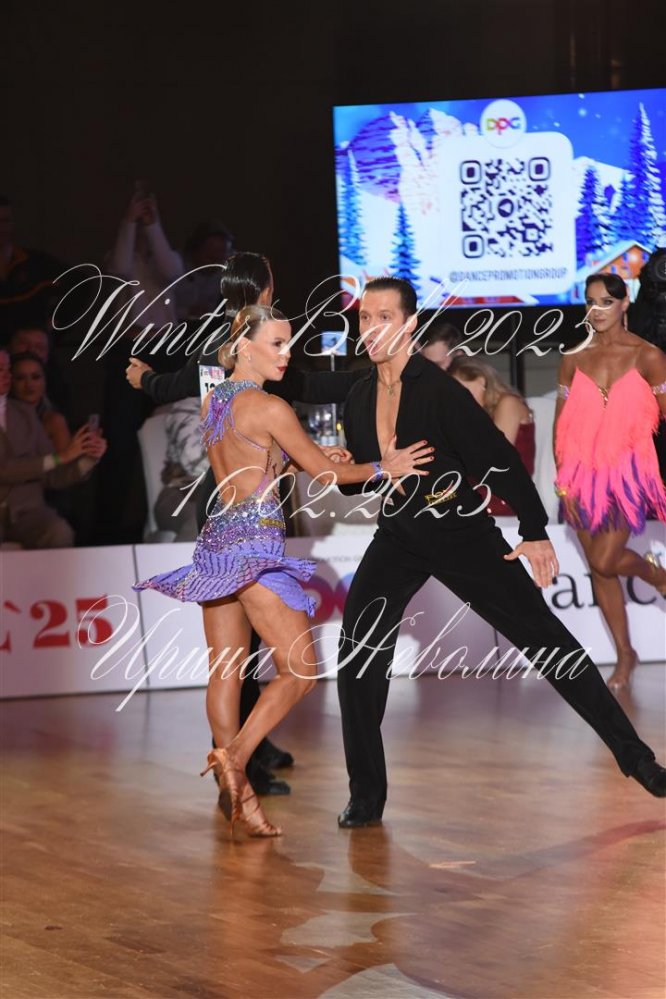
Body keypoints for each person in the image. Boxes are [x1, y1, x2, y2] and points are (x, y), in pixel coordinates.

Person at [334, 276, 666, 829]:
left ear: (409, 325)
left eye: (383, 317)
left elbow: (499, 460)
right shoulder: (360, 394)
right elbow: (365, 483)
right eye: (365, 318)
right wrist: (350, 466)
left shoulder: (439, 392)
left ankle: (638, 760)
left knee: (549, 643)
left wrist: (533, 530)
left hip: (462, 535)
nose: (371, 328)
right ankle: (366, 796)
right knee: (358, 656)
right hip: (398, 537)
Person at [133, 305, 432, 837]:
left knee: (226, 672)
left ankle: (239, 796)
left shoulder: (215, 399)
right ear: (244, 346)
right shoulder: (270, 407)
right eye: (276, 344)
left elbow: (256, 463)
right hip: (254, 553)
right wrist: (383, 466)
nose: (287, 354)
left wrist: (309, 455)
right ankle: (235, 757)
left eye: (288, 343)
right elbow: (327, 477)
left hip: (216, 543)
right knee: (301, 673)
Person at [126, 251, 368, 799]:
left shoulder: (221, 354)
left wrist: (145, 378)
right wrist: (374, 386)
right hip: (248, 518)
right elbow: (305, 393)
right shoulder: (259, 349)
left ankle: (240, 771)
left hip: (222, 507)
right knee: (277, 658)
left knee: (234, 661)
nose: (284, 350)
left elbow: (177, 388)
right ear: (263, 292)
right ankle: (243, 761)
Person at [554, 272, 666, 692]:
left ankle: (657, 575)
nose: (597, 310)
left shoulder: (648, 356)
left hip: (629, 473)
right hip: (578, 473)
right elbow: (561, 425)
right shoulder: (573, 357)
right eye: (591, 301)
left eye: (606, 301)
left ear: (624, 304)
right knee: (600, 572)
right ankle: (624, 654)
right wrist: (562, 479)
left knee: (604, 560)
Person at [0, 348, 107, 548]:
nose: (6, 375)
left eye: (7, 369)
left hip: (27, 512)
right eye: (0, 370)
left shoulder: (24, 413)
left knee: (58, 531)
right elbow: (4, 469)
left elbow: (53, 476)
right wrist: (61, 457)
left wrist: (88, 457)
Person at [450, 357, 535, 517]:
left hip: (505, 492)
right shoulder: (475, 414)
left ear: (481, 380)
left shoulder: (508, 403)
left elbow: (496, 457)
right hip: (481, 487)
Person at [10, 351, 71, 452]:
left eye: (36, 377)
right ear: (10, 381)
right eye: (20, 378)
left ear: (44, 380)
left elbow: (67, 460)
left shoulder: (54, 421)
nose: (29, 385)